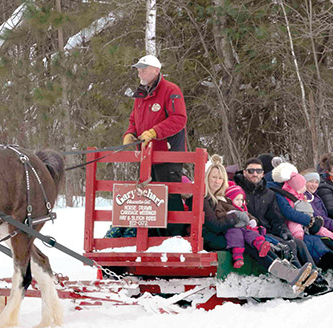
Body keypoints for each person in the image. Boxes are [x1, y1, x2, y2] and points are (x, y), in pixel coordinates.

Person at [202, 155, 315, 292]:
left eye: (220, 178)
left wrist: (246, 220)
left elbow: (245, 214)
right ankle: (290, 275)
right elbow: (215, 224)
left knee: (262, 243)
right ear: (207, 178)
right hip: (215, 237)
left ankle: (298, 275)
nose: (217, 181)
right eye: (214, 177)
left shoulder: (224, 198)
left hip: (235, 232)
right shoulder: (205, 198)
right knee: (253, 243)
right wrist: (235, 218)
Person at [122, 54, 187, 236]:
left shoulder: (170, 90)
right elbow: (134, 119)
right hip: (145, 157)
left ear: (156, 70)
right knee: (147, 199)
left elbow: (179, 119)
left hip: (167, 155)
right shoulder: (140, 95)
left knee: (170, 198)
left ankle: (175, 238)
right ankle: (151, 238)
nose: (140, 72)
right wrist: (130, 133)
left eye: (144, 68)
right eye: (138, 69)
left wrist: (154, 132)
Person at [269, 162, 333, 275]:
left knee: (326, 240)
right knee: (315, 243)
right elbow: (289, 213)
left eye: (316, 182)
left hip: (307, 227)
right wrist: (310, 221)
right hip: (294, 229)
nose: (313, 185)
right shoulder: (280, 193)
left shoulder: (297, 193)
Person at [233, 157, 313, 269]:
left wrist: (284, 231)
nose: (255, 174)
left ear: (262, 174)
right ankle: (300, 277)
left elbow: (276, 219)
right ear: (245, 172)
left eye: (258, 171)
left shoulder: (269, 194)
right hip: (253, 232)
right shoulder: (237, 192)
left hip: (269, 230)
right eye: (251, 171)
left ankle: (316, 276)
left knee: (297, 243)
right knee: (285, 247)